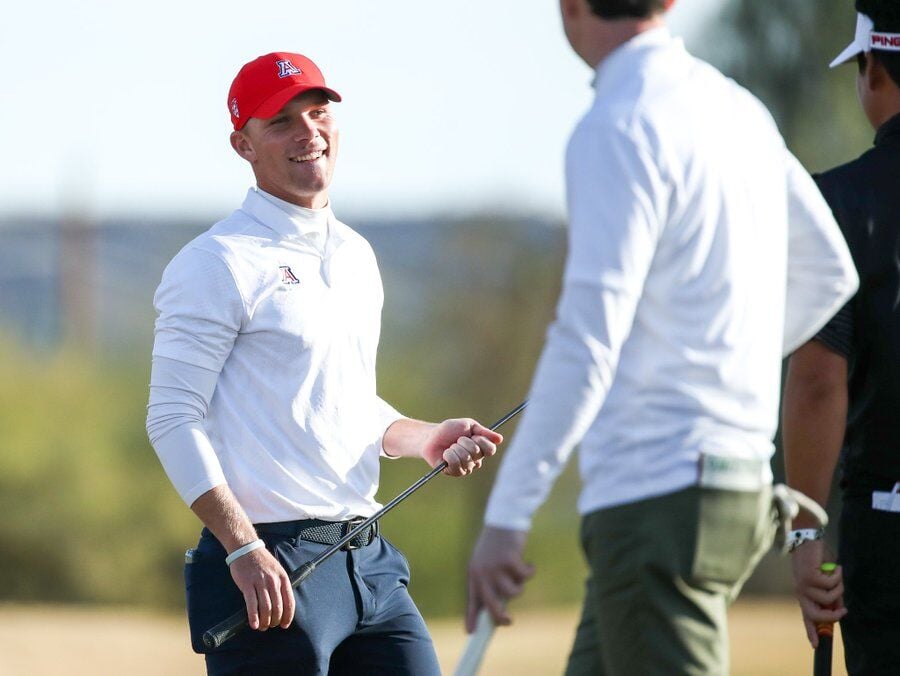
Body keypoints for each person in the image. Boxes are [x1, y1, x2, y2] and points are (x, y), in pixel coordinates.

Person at [464, 1, 860, 673]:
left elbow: (586, 338)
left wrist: (507, 517)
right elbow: (830, 272)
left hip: (658, 505)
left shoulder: (615, 124)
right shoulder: (738, 108)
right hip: (730, 488)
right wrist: (723, 368)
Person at [146, 51, 503, 676]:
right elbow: (172, 417)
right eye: (281, 121)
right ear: (243, 145)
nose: (308, 132)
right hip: (268, 568)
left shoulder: (357, 256)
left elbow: (345, 405)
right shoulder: (216, 262)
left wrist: (425, 438)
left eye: (317, 113)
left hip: (368, 562)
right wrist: (242, 548)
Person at [782, 2, 900, 673]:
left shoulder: (839, 202)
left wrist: (806, 530)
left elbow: (819, 379)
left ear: (871, 68)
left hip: (887, 530)